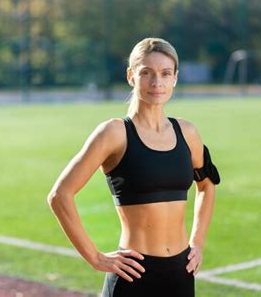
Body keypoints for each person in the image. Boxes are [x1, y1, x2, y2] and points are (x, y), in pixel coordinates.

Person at [47, 37, 220, 297]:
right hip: (134, 276)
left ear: (175, 78)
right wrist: (95, 257)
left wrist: (197, 242)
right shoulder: (114, 133)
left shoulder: (187, 132)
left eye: (165, 73)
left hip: (180, 273)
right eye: (146, 73)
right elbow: (60, 195)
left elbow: (207, 185)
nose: (156, 82)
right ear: (131, 76)